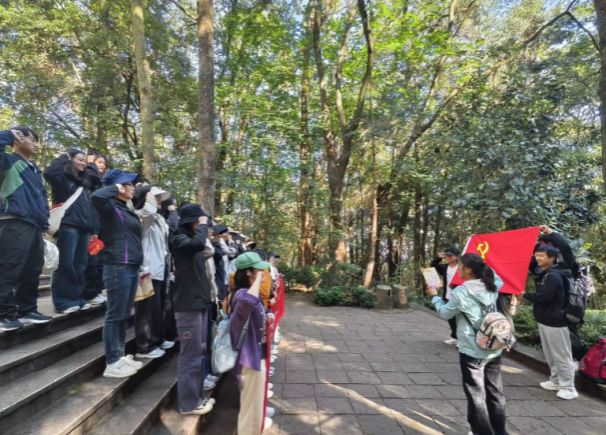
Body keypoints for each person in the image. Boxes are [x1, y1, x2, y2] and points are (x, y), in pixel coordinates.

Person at [426, 253, 507, 435]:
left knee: (476, 394)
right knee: (495, 392)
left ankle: (481, 432)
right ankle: (500, 431)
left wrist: (435, 296)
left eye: (460, 266)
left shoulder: (461, 292)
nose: (458, 270)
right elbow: (498, 278)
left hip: (472, 349)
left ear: (469, 270)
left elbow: (445, 313)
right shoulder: (492, 284)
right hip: (494, 347)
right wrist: (485, 264)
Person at [92, 169, 144, 378]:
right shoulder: (108, 206)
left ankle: (120, 355)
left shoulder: (125, 208)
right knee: (115, 315)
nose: (133, 187)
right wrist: (115, 187)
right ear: (119, 187)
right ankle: (112, 362)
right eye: (128, 184)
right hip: (117, 265)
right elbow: (97, 196)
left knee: (123, 314)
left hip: (131, 265)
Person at [0, 128, 52, 331]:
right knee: (10, 267)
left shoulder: (35, 169)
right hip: (14, 220)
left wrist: (44, 223)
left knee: (33, 269)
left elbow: (41, 198)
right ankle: (3, 314)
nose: (36, 143)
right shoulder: (8, 161)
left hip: (34, 224)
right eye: (32, 139)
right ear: (19, 139)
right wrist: (8, 134)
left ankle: (27, 309)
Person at [170, 204, 215, 415]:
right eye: (200, 220)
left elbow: (205, 249)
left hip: (199, 303)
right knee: (191, 356)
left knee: (200, 352)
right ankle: (188, 404)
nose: (204, 224)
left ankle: (196, 398)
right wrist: (203, 227)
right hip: (188, 305)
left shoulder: (193, 241)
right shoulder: (179, 239)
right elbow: (196, 244)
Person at [44, 149, 96, 314]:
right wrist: (64, 156)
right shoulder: (62, 178)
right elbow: (49, 172)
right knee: (65, 264)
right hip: (68, 226)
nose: (83, 163)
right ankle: (64, 301)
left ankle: (77, 298)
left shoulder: (85, 183)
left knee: (80, 265)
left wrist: (92, 228)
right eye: (79, 159)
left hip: (84, 228)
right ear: (70, 160)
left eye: (85, 161)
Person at [524, 245, 578, 400]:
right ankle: (555, 381)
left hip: (556, 321)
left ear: (552, 258)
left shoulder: (553, 275)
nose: (538, 258)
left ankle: (569, 387)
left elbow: (545, 297)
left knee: (561, 355)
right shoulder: (548, 273)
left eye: (542, 255)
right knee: (550, 354)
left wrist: (526, 295)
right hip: (546, 319)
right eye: (537, 255)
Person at [230, 252, 275, 434]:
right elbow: (248, 302)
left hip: (255, 354)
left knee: (254, 403)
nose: (262, 273)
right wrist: (257, 281)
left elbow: (256, 307)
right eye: (258, 270)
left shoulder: (247, 293)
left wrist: (267, 315)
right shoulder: (241, 294)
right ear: (248, 273)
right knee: (251, 407)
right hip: (249, 358)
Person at [132, 184, 174, 359]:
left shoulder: (159, 218)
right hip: (147, 269)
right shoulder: (141, 216)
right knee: (146, 309)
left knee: (158, 307)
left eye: (159, 198)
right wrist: (148, 195)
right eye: (155, 197)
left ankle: (157, 339)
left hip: (161, 267)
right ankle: (144, 346)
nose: (159, 201)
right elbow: (146, 216)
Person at [84, 151, 108, 306]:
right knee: (91, 260)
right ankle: (90, 293)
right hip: (90, 226)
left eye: (104, 163)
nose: (102, 166)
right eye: (99, 162)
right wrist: (91, 165)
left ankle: (97, 291)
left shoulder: (102, 182)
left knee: (99, 260)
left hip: (100, 227)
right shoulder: (87, 177)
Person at [431, 248, 461, 345]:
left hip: (459, 296)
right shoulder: (445, 267)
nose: (448, 257)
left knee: (460, 318)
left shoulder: (461, 268)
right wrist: (438, 258)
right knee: (450, 317)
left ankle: (462, 339)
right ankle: (454, 337)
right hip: (448, 295)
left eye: (450, 255)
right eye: (447, 255)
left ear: (457, 257)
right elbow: (433, 265)